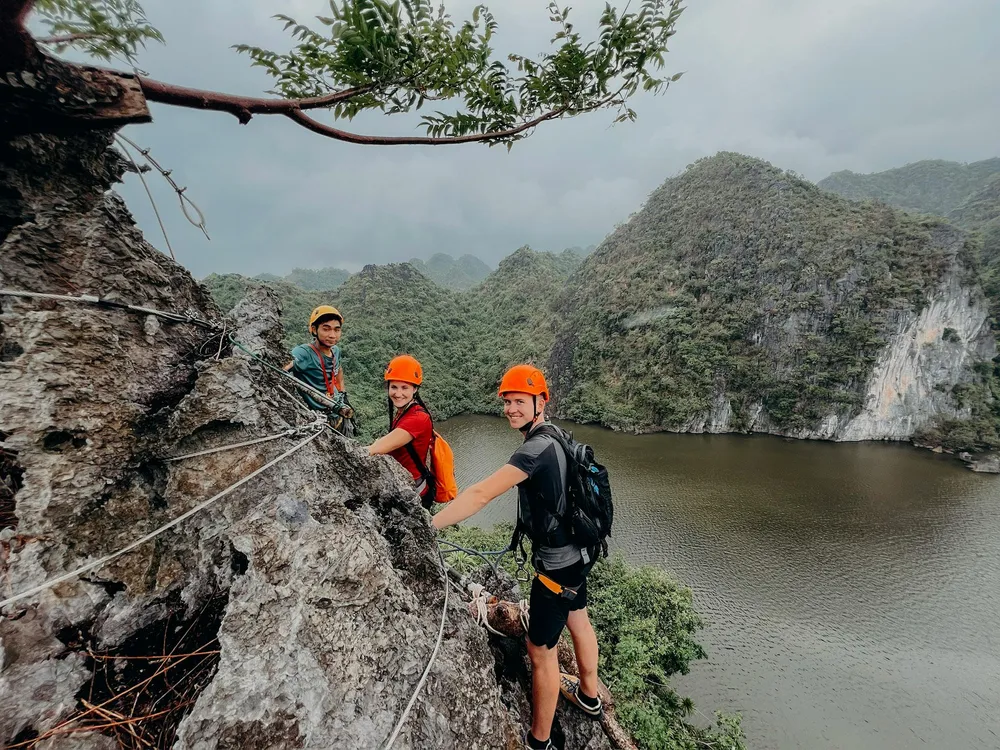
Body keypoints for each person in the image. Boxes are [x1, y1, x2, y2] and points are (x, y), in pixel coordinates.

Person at [432, 364, 603, 750]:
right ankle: (590, 697)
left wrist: (431, 525)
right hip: (576, 556)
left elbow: (480, 495)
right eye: (507, 402)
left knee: (540, 652)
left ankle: (538, 742)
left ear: (541, 401)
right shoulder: (555, 435)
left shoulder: (534, 449)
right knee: (579, 619)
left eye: (520, 401)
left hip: (556, 570)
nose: (511, 408)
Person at [367, 355, 436, 508]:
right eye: (394, 387)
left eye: (404, 388)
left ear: (415, 389)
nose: (398, 394)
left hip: (412, 491)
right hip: (403, 482)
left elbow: (374, 450)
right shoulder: (405, 410)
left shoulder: (417, 418)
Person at [283, 305, 353, 424]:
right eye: (326, 329)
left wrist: (342, 392)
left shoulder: (335, 351)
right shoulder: (304, 352)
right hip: (319, 418)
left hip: (338, 412)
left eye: (337, 329)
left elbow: (338, 370)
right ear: (314, 330)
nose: (332, 335)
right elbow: (283, 365)